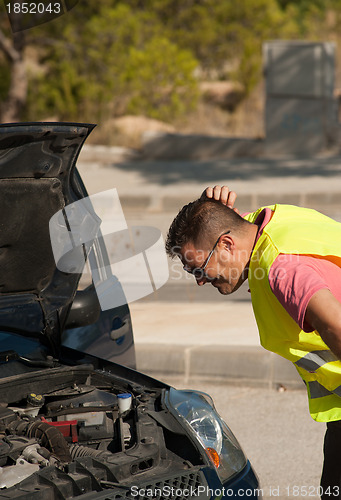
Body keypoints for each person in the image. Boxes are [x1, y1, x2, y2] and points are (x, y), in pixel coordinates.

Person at [165, 185, 341, 499]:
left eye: (199, 269)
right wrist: (213, 212)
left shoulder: (281, 270)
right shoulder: (270, 222)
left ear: (227, 244)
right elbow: (229, 227)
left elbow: (334, 325)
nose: (200, 280)